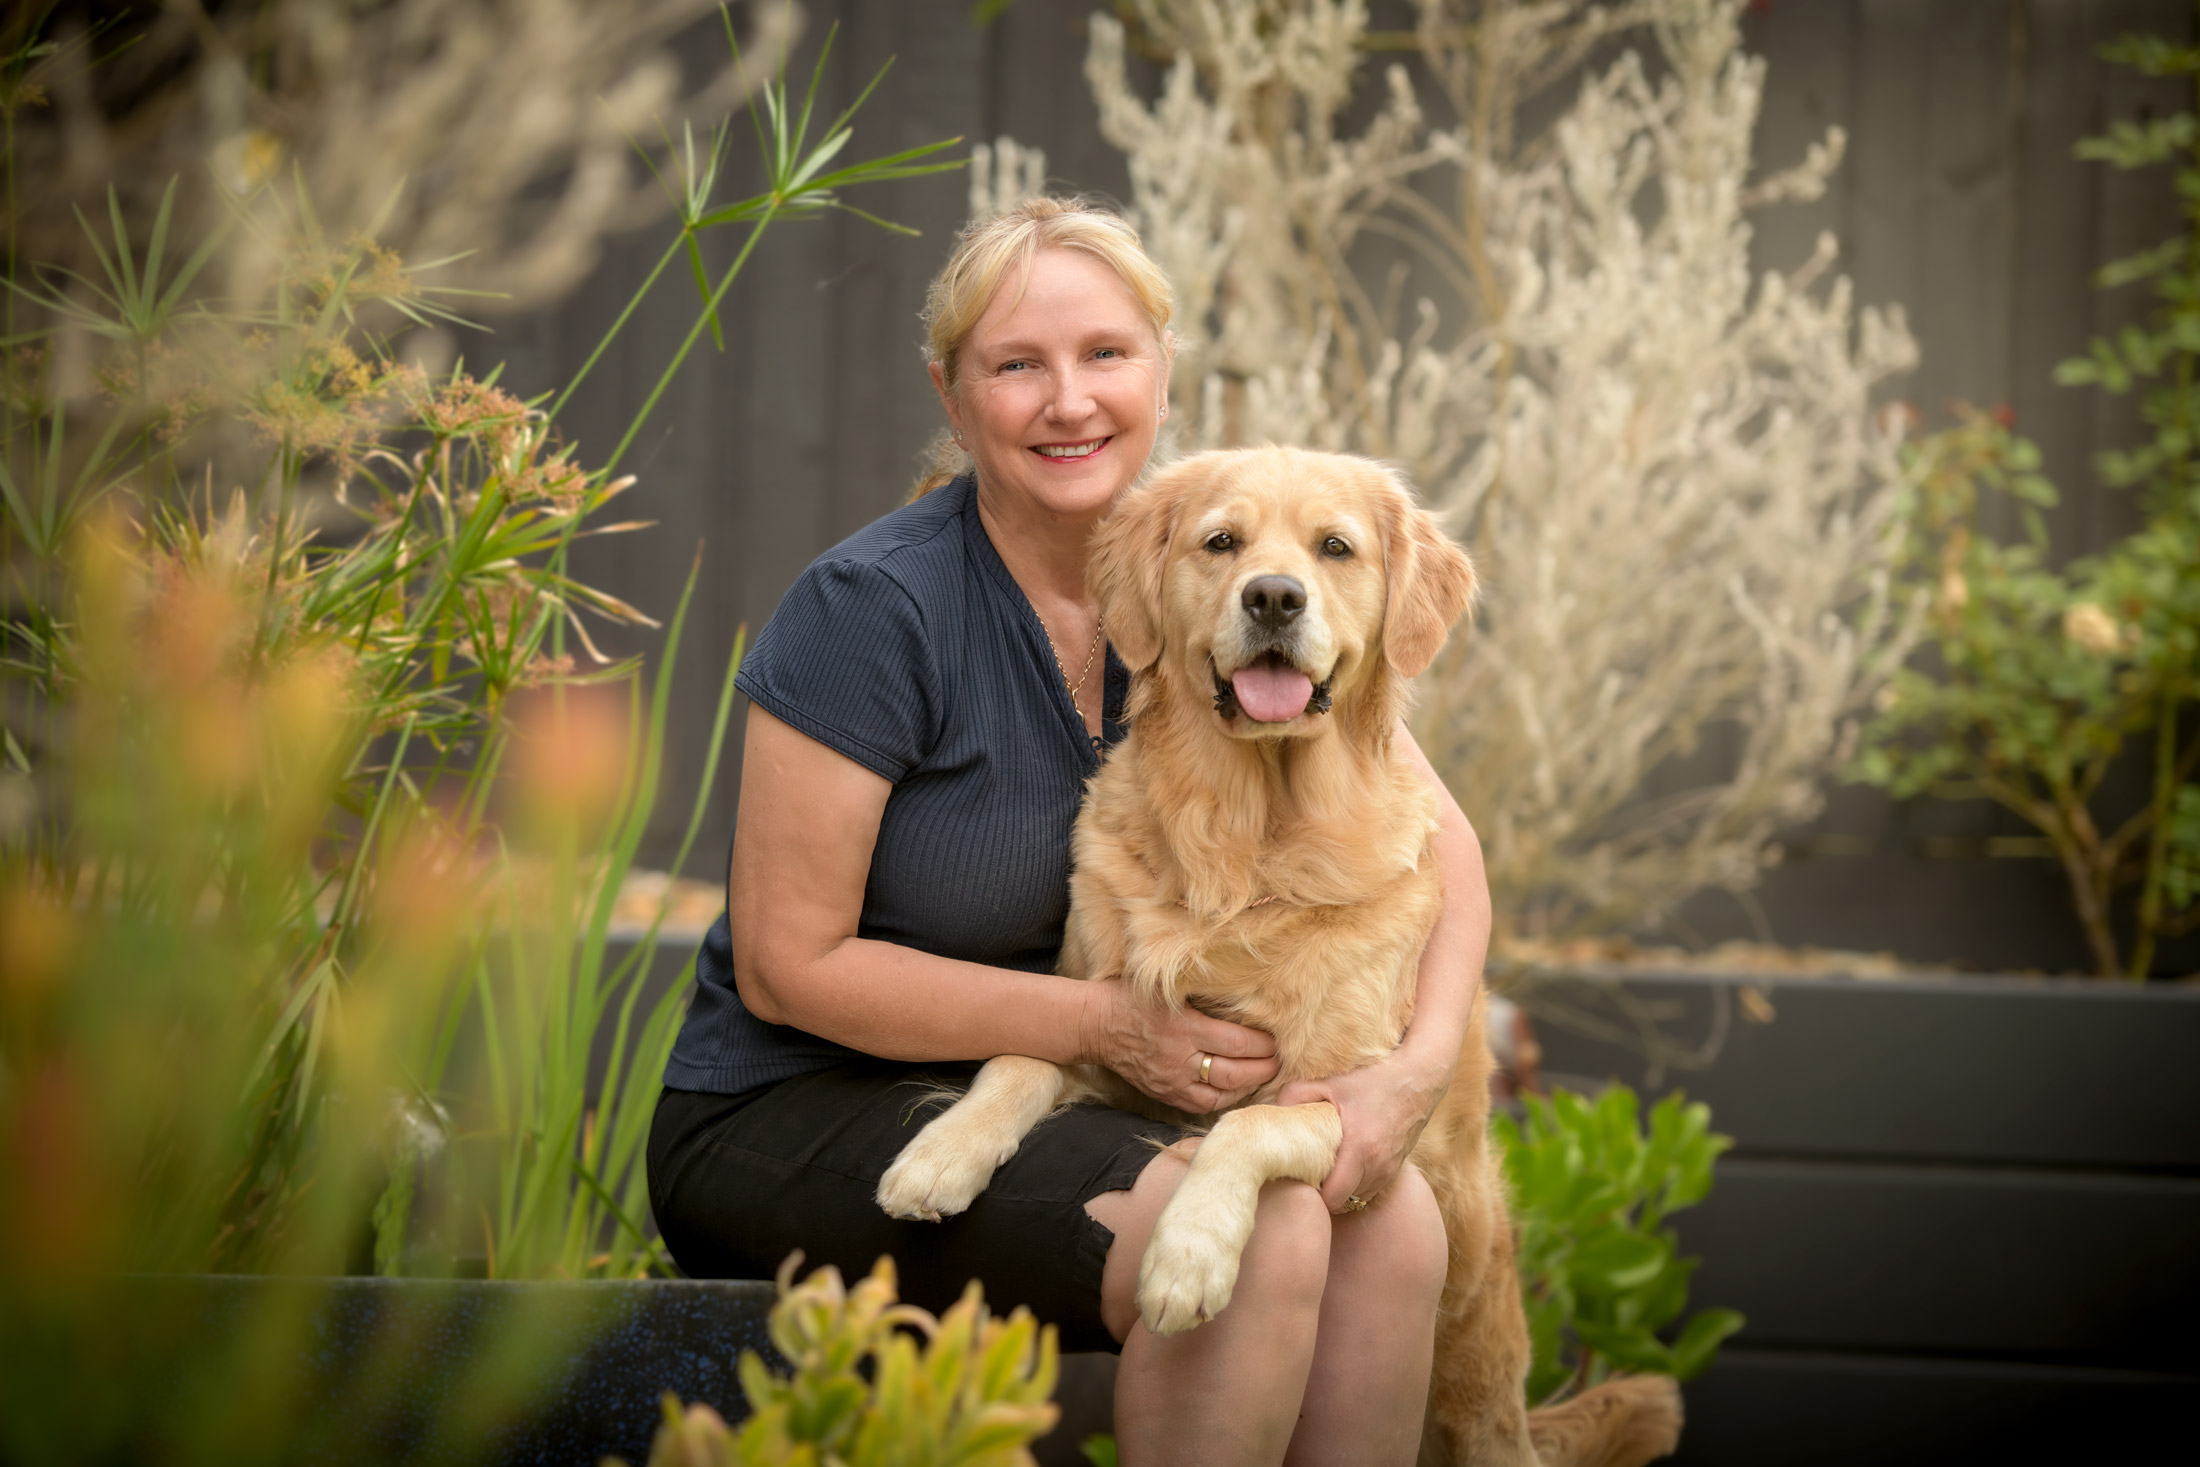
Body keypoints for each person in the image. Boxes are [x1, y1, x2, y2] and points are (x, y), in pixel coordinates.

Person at [648, 198, 1493, 1467]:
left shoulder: (1213, 564)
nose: (1069, 401)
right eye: (1015, 365)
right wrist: (1103, 1026)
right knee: (1266, 1235)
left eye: (1105, 355)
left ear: (1161, 371)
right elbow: (786, 963)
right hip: (801, 1103)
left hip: (1058, 1089)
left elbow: (1447, 853)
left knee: (1400, 1226)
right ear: (951, 391)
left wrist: (1410, 1075)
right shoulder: (871, 610)